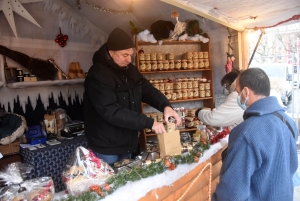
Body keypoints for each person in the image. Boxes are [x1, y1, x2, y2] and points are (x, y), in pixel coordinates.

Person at [84, 27, 181, 165]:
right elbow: (111, 110)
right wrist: (149, 123)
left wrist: (165, 106)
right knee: (110, 185)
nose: (129, 60)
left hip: (127, 141)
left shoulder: (130, 70)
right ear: (111, 53)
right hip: (107, 146)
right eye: (125, 55)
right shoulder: (98, 74)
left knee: (128, 182)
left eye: (131, 54)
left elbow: (147, 90)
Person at [212, 68, 298, 201]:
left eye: (237, 92)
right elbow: (291, 167)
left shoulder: (245, 133)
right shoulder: (288, 122)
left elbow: (232, 193)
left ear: (246, 92)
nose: (238, 97)